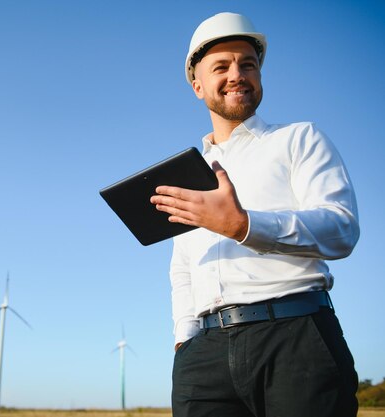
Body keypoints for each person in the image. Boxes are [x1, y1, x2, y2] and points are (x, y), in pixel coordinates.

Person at [149, 12, 360, 417]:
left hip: (296, 338)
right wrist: (184, 337)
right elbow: (183, 268)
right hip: (203, 356)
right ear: (197, 86)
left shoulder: (300, 138)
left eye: (248, 64)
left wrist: (244, 226)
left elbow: (341, 228)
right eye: (221, 66)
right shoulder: (188, 174)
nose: (237, 74)